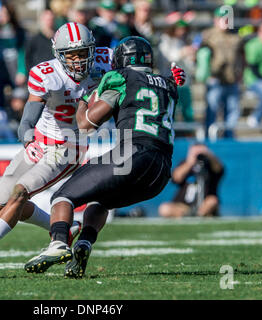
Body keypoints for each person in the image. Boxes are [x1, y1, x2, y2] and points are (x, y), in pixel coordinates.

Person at [0, 22, 112, 276]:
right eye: (72, 55)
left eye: (83, 53)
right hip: (42, 141)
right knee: (0, 202)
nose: (79, 61)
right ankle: (63, 228)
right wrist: (28, 139)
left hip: (70, 146)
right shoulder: (47, 74)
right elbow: (27, 119)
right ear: (59, 55)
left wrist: (168, 76)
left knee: (19, 192)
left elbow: (138, 69)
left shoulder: (106, 60)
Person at [24, 36, 186, 278]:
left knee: (63, 196)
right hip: (161, 170)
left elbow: (87, 124)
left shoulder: (121, 77)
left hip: (133, 153)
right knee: (100, 201)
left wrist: (83, 100)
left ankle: (58, 243)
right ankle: (85, 243)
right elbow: (164, 85)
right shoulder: (168, 84)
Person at [196, 7, 242, 138]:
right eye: (222, 19)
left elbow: (241, 56)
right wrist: (204, 73)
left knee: (232, 112)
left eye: (227, 19)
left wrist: (241, 73)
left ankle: (229, 138)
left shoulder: (236, 36)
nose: (225, 22)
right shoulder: (207, 35)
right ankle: (208, 137)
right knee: (212, 110)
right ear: (216, 20)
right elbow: (199, 54)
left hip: (232, 79)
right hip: (215, 78)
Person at [158, 143, 224, 218]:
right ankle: (188, 216)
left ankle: (199, 214)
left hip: (204, 203)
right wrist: (190, 161)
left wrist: (208, 154)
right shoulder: (185, 163)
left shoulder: (210, 165)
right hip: (183, 206)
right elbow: (176, 177)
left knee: (212, 201)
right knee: (164, 208)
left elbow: (219, 168)